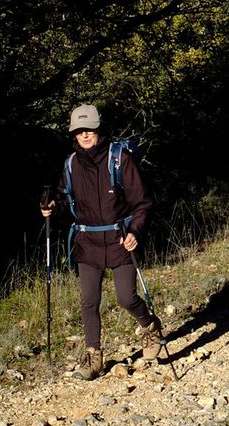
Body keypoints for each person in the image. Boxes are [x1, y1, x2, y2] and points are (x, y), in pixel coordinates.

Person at [40, 104, 158, 381]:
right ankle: (94, 357)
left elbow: (142, 203)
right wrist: (52, 206)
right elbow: (64, 197)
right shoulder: (71, 164)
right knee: (89, 302)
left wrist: (135, 232)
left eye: (89, 129)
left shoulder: (119, 159)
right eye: (79, 130)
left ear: (99, 129)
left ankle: (150, 326)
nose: (84, 135)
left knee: (126, 298)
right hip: (87, 241)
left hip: (120, 239)